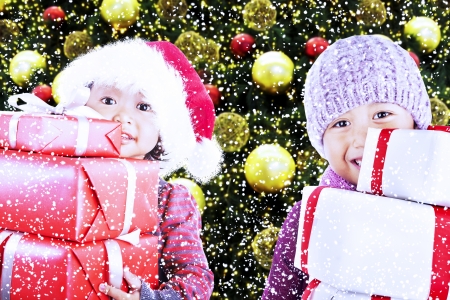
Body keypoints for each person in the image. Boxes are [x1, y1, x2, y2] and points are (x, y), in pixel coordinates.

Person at [261, 35, 432, 299]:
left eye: (382, 115)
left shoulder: (439, 202)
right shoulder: (309, 217)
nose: (363, 138)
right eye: (341, 123)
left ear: (415, 123)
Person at [56, 39, 223, 300]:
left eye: (143, 106)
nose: (122, 116)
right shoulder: (60, 178)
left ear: (164, 127)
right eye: (108, 100)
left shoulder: (169, 200)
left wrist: (149, 297)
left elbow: (196, 279)